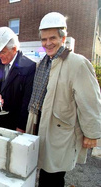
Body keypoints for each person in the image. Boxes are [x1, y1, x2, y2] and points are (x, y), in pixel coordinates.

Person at [26, 12, 101, 187]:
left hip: (60, 132)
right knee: (40, 173)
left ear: (63, 37)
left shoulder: (77, 63)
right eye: (44, 39)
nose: (47, 43)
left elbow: (91, 101)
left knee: (53, 177)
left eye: (52, 38)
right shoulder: (44, 62)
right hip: (40, 125)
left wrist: (91, 134)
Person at [0, 27, 36, 132]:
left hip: (14, 124)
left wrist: (21, 127)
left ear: (14, 49)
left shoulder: (28, 67)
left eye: (3, 52)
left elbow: (27, 101)